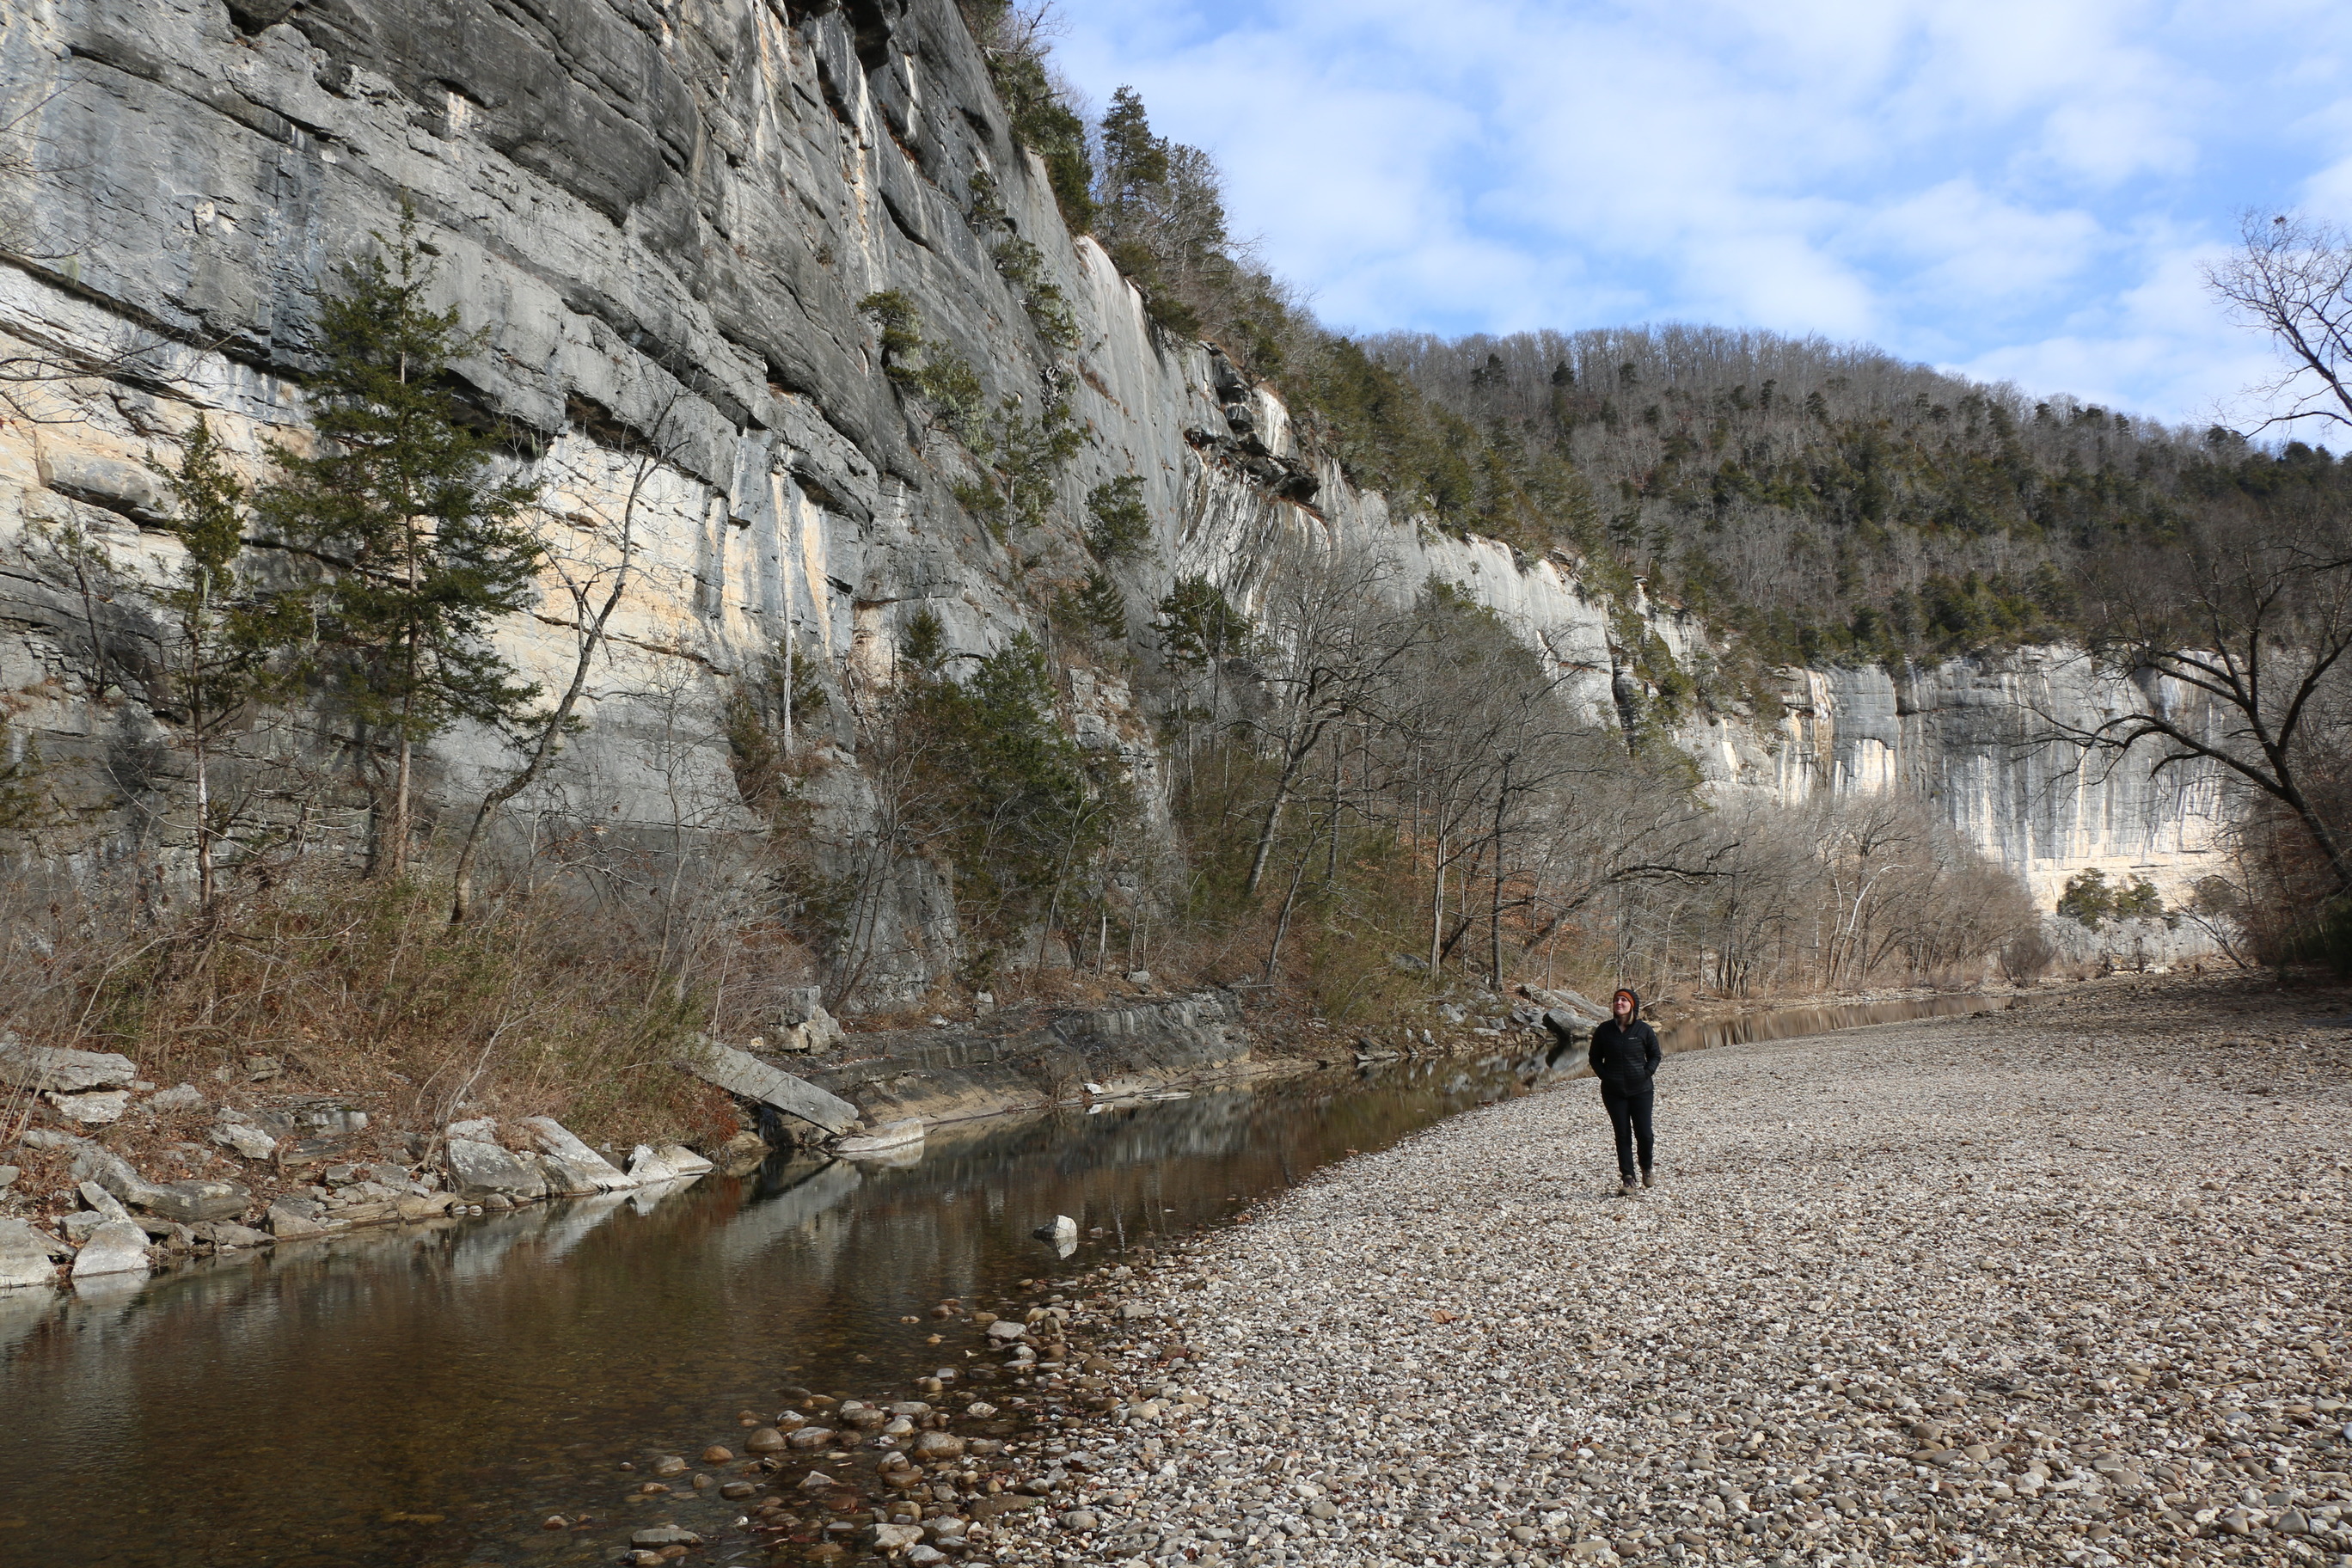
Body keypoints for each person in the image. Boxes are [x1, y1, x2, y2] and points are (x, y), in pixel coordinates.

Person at [1587, 988, 1661, 1195]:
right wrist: (1605, 1076)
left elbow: (1655, 1055)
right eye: (1616, 1000)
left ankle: (1646, 1166)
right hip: (1613, 1091)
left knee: (1645, 1133)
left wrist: (1646, 1073)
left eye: (1623, 1000)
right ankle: (1628, 1178)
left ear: (1632, 1006)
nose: (1619, 1003)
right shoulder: (1604, 1030)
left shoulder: (1643, 1030)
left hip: (1641, 1090)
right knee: (1622, 1134)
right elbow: (1594, 1058)